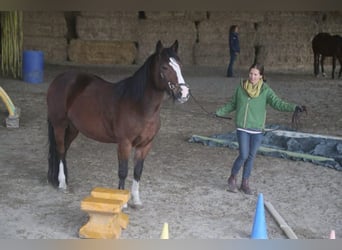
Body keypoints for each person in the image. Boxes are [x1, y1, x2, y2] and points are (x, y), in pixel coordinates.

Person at [215, 63, 306, 195]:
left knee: (251, 156)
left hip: (257, 130)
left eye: (255, 74)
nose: (252, 76)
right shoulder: (240, 88)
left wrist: (294, 107)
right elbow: (232, 104)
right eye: (251, 74)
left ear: (261, 76)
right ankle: (232, 177)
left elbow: (278, 103)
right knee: (243, 154)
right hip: (243, 128)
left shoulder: (266, 90)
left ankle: (245, 183)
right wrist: (219, 112)